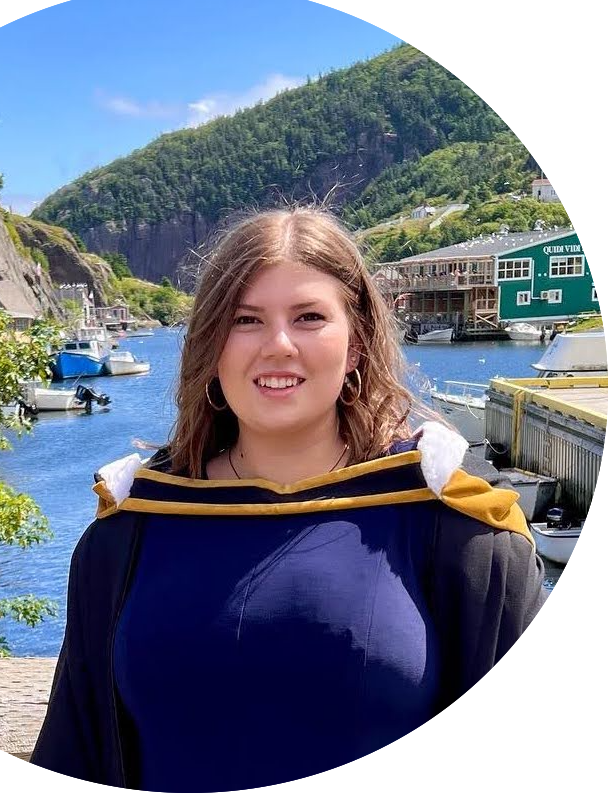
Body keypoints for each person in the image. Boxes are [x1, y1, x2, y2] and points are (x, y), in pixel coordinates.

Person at [29, 205, 548, 788]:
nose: (278, 345)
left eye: (308, 317)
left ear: (355, 345)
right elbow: (76, 748)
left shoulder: (459, 530)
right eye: (246, 320)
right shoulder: (128, 532)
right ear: (211, 346)